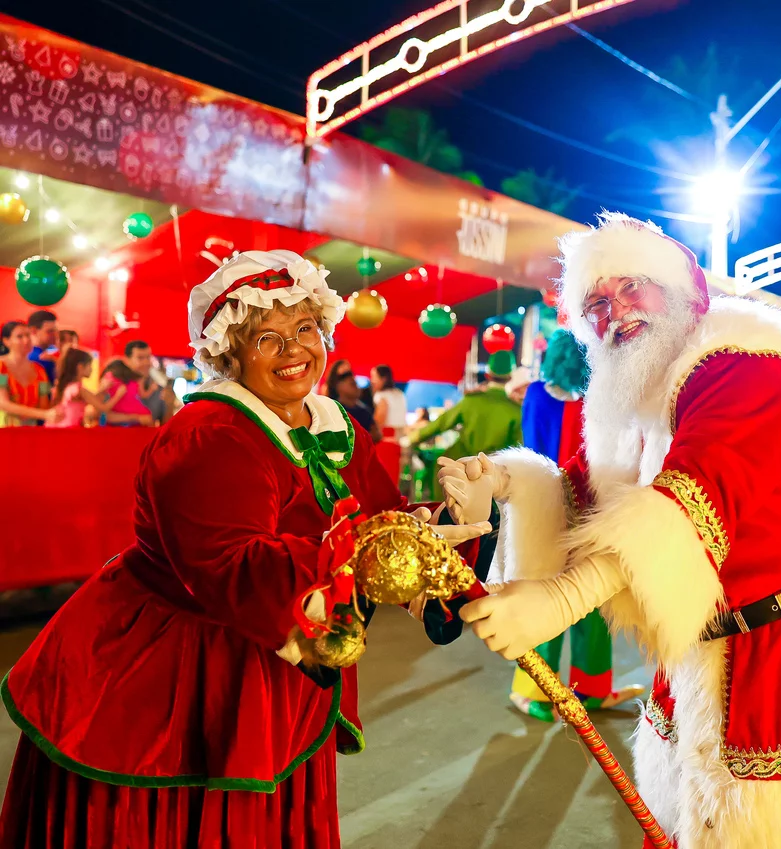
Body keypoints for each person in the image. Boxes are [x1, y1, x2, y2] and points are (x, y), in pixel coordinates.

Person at [440, 213, 781, 848]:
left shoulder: (746, 369)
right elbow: (585, 495)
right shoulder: (649, 391)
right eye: (596, 304)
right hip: (700, 657)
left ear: (681, 291)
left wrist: (561, 599)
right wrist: (499, 481)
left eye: (633, 286)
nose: (616, 311)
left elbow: (689, 501)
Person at [0, 250, 492, 847]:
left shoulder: (332, 421)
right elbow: (232, 568)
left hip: (272, 664)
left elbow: (381, 520)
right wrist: (365, 552)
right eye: (268, 337)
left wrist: (448, 523)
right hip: (176, 673)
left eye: (305, 329)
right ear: (229, 352)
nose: (294, 351)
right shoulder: (209, 435)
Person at [503, 328, 645, 721]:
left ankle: (535, 690)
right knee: (591, 603)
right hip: (588, 507)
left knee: (546, 598)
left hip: (540, 506)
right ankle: (591, 688)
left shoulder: (533, 394)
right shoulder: (596, 403)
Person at [408, 354, 523, 460]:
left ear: (488, 375)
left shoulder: (471, 401)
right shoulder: (516, 410)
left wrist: (411, 438)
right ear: (510, 377)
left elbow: (441, 423)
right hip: (495, 474)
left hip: (463, 469)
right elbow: (518, 450)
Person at [47, 348, 145, 427]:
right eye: (90, 365)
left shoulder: (70, 387)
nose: (92, 369)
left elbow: (92, 399)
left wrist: (102, 390)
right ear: (80, 367)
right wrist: (118, 395)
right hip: (69, 429)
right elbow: (103, 409)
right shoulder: (78, 389)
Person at [0, 321, 57, 426]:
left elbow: (44, 405)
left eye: (28, 335)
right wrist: (43, 414)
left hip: (30, 432)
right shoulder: (1, 367)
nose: (26, 340)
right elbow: (3, 403)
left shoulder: (40, 371)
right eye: (19, 337)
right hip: (4, 430)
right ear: (6, 341)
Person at [371, 364, 409, 486]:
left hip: (384, 441)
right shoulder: (400, 394)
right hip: (398, 442)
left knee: (381, 482)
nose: (372, 381)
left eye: (374, 377)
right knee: (393, 482)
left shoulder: (381, 396)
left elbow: (379, 421)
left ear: (383, 379)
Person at [332, 369, 378, 437]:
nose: (357, 387)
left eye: (356, 384)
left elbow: (376, 435)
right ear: (339, 386)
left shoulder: (365, 411)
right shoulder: (333, 410)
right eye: (352, 384)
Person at [26, 309, 58, 384]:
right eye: (50, 331)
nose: (55, 335)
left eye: (56, 331)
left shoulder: (49, 357)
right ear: (33, 331)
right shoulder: (41, 359)